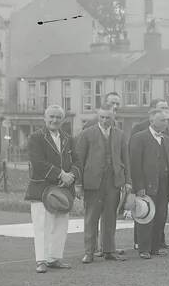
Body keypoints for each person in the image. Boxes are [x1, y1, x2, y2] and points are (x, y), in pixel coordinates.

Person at [25, 105, 80, 273]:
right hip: (42, 188)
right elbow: (38, 162)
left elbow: (77, 161)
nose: (55, 120)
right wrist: (60, 174)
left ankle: (54, 258)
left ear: (62, 120)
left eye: (58, 117)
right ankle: (41, 260)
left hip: (64, 189)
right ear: (45, 118)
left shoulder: (68, 138)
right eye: (51, 117)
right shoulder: (36, 137)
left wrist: (71, 176)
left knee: (61, 225)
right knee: (42, 226)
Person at [74, 106, 131, 264]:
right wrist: (78, 184)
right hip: (93, 182)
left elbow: (126, 159)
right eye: (102, 117)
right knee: (91, 217)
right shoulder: (87, 134)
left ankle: (109, 250)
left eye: (108, 118)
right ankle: (89, 252)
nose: (105, 120)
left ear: (113, 118)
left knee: (110, 217)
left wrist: (127, 181)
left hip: (113, 181)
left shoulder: (119, 135)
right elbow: (79, 160)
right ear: (98, 117)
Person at [129, 107, 169, 259]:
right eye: (162, 120)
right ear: (152, 121)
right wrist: (139, 186)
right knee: (146, 215)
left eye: (166, 120)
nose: (166, 123)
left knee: (161, 216)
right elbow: (135, 165)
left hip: (163, 185)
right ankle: (144, 249)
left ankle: (155, 247)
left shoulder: (166, 139)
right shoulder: (139, 138)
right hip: (147, 186)